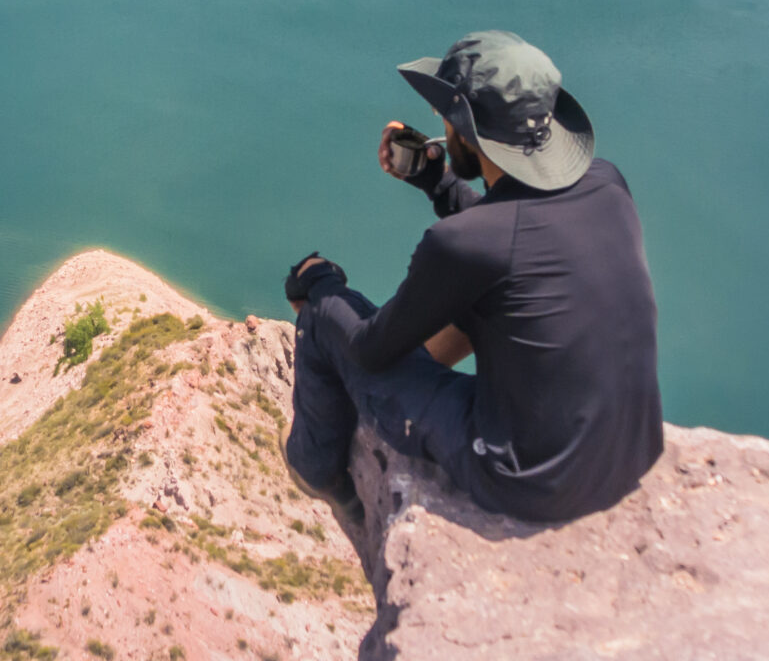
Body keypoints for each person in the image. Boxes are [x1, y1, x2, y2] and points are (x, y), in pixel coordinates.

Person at [283, 29, 662, 526]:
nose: (439, 122)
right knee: (489, 298)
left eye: (446, 114)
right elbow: (516, 235)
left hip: (526, 479)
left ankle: (320, 473)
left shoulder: (462, 244)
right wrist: (436, 179)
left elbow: (370, 348)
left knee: (323, 321)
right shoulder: (608, 183)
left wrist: (320, 284)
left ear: (465, 127)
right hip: (632, 450)